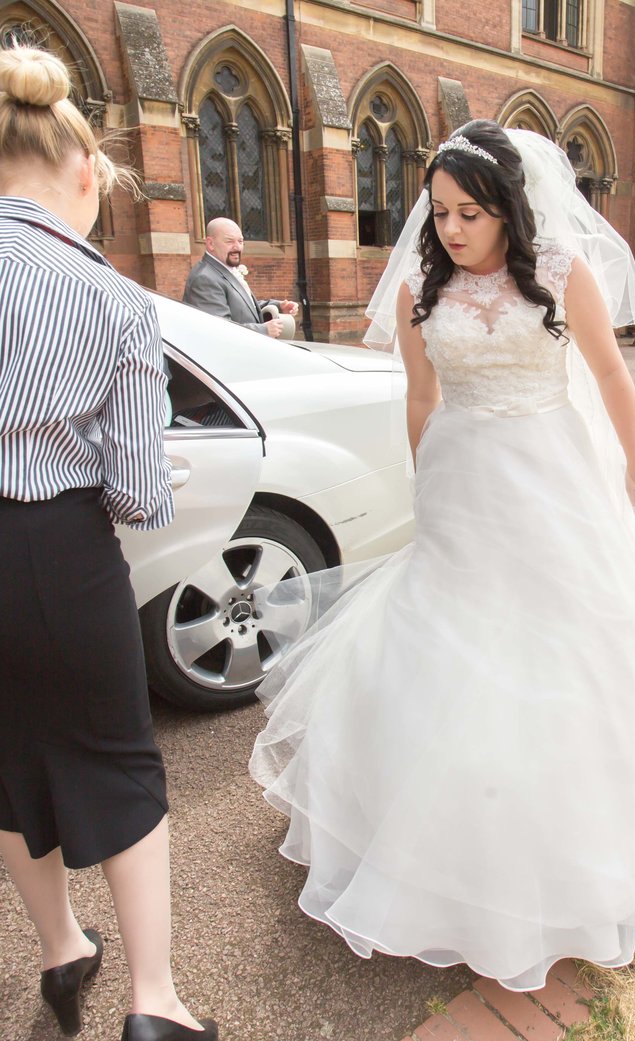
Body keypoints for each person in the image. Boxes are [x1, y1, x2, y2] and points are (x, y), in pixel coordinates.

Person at [249, 120, 635, 992]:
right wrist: (429, 479)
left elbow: (609, 373)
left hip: (553, 467)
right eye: (440, 210)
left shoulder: (562, 273)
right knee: (451, 639)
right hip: (462, 477)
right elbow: (420, 395)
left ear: (508, 210)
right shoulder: (424, 284)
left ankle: (579, 844)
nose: (450, 227)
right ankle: (439, 830)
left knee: (570, 636)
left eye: (470, 212)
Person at [0, 47, 217, 1041]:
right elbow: (135, 494)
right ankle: (154, 1004)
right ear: (85, 173)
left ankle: (59, 955)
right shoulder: (117, 301)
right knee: (121, 764)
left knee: (7, 763)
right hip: (58, 553)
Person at [182, 216, 298, 338]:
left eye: (240, 241)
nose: (237, 247)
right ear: (211, 244)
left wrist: (278, 306)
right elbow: (217, 329)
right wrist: (263, 330)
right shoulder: (205, 278)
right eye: (229, 241)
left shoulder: (222, 268)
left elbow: (240, 306)